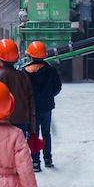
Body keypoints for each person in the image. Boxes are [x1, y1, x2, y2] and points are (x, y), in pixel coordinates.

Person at [24, 41, 62, 171]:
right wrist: (48, 96)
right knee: (46, 133)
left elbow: (23, 91)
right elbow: (57, 87)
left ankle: (35, 162)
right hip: (46, 107)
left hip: (32, 109)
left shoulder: (25, 72)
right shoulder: (51, 70)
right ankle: (48, 159)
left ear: (30, 56)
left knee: (34, 134)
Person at [0, 39, 35, 143]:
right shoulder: (23, 76)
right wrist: (33, 130)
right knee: (18, 153)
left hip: (0, 123)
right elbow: (30, 104)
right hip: (21, 121)